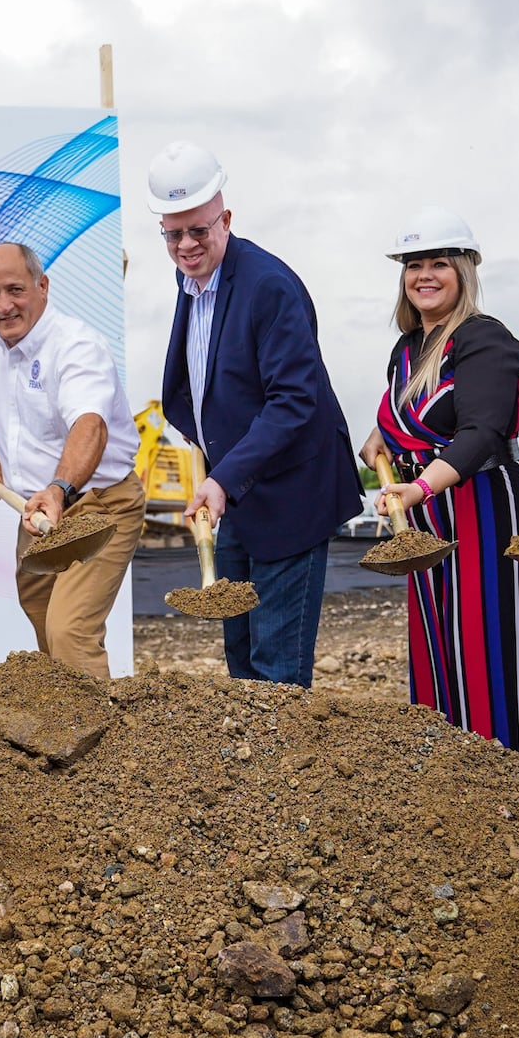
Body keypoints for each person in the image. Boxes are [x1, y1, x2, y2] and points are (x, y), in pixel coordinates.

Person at [151, 141, 361, 685]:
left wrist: (223, 478)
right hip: (241, 492)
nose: (187, 244)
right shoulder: (191, 279)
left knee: (278, 670)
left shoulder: (269, 285)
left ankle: (289, 770)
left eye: (199, 230)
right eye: (174, 234)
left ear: (225, 218)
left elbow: (293, 400)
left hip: (292, 491)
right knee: (242, 660)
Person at [359, 209, 519, 768]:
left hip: (489, 505)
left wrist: (418, 487)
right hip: (427, 517)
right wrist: (382, 439)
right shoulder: (405, 349)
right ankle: (455, 790)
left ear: (464, 270)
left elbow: (479, 432)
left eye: (439, 263)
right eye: (413, 265)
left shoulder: (484, 339)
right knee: (437, 653)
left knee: (491, 653)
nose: (424, 275)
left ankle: (514, 787)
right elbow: (411, 415)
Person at [0, 240, 144, 677]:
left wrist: (59, 489)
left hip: (99, 505)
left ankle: (104, 742)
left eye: (15, 290)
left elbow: (92, 425)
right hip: (36, 512)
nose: (4, 305)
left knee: (70, 633)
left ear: (42, 286)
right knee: (42, 619)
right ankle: (67, 732)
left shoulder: (77, 346)